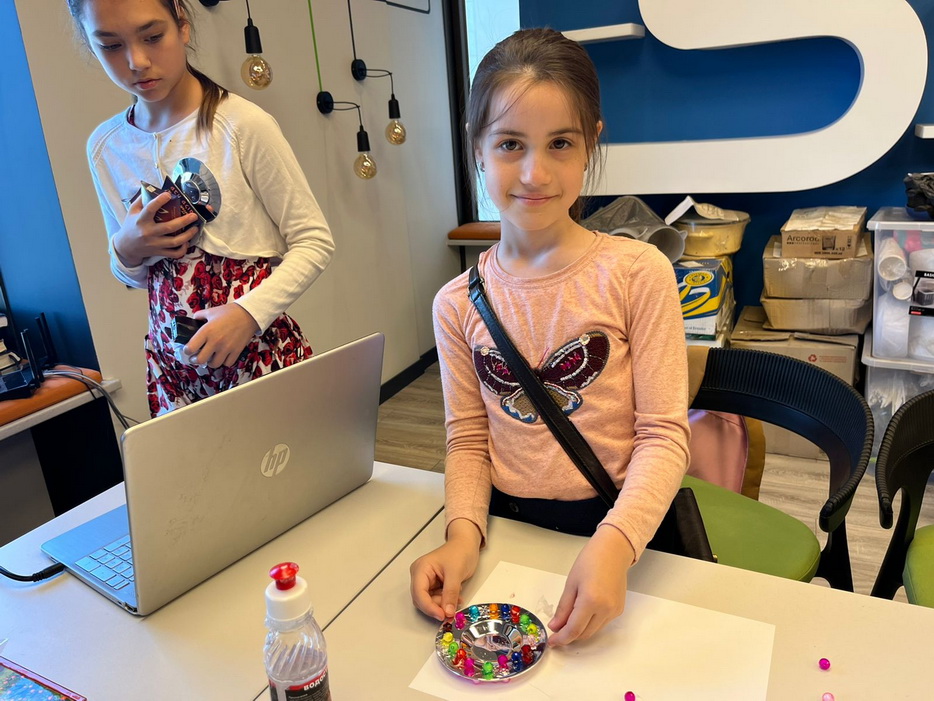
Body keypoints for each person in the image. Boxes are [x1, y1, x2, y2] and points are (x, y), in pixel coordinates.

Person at [409, 28, 690, 646]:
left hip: (621, 526)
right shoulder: (455, 303)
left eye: (560, 143)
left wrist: (615, 546)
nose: (535, 173)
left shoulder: (637, 273)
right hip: (507, 530)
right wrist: (461, 536)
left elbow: (664, 434)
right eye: (510, 144)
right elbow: (468, 438)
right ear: (478, 149)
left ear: (590, 144)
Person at [67, 0, 334, 416]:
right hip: (173, 368)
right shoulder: (106, 147)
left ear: (182, 25)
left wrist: (248, 314)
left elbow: (314, 241)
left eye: (152, 36)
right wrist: (126, 248)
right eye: (111, 46)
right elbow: (134, 276)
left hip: (258, 353)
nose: (137, 61)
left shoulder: (242, 125)